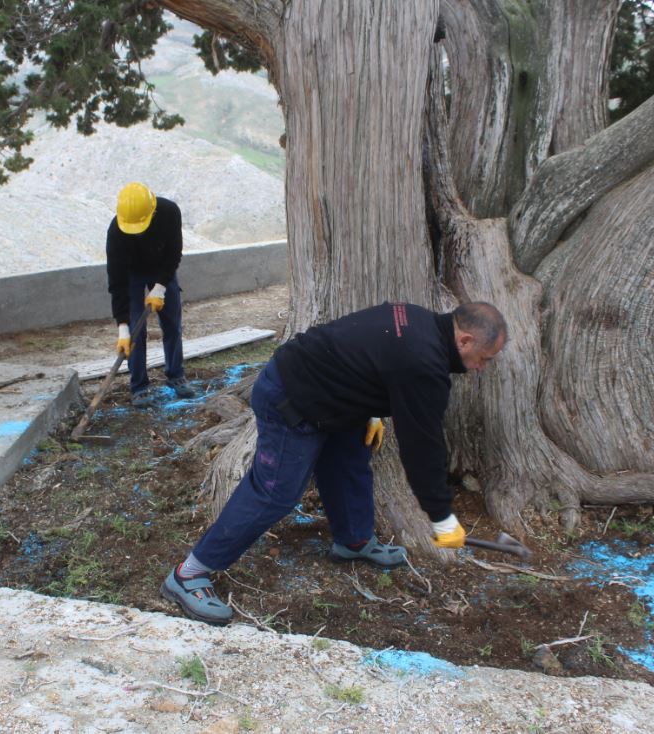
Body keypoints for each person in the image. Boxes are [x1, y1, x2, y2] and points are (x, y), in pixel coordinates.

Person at [161, 300, 508, 624]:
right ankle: (188, 574)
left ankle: (353, 540)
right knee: (275, 492)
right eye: (485, 359)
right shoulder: (425, 363)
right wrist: (441, 516)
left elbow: (369, 353)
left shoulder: (419, 320)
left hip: (334, 398)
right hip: (293, 396)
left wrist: (372, 410)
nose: (482, 369)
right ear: (464, 340)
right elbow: (423, 449)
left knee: (349, 460)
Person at [107, 182, 195, 406]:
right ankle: (139, 387)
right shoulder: (116, 232)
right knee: (136, 332)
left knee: (173, 324)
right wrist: (123, 328)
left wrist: (161, 287)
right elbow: (117, 282)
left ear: (152, 210)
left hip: (162, 268)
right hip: (132, 274)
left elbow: (174, 253)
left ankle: (176, 375)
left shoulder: (169, 213)